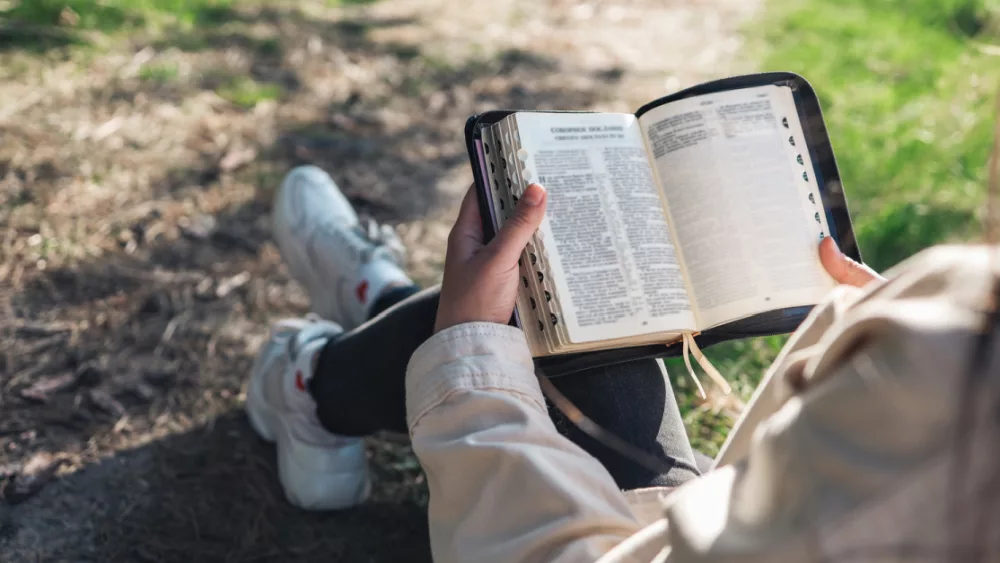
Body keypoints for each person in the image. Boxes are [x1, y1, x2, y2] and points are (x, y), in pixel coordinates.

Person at [249, 166, 1000, 562]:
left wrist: (469, 356)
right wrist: (875, 335)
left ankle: (312, 386)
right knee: (574, 321)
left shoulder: (959, 414)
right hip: (721, 527)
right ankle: (386, 296)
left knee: (545, 320)